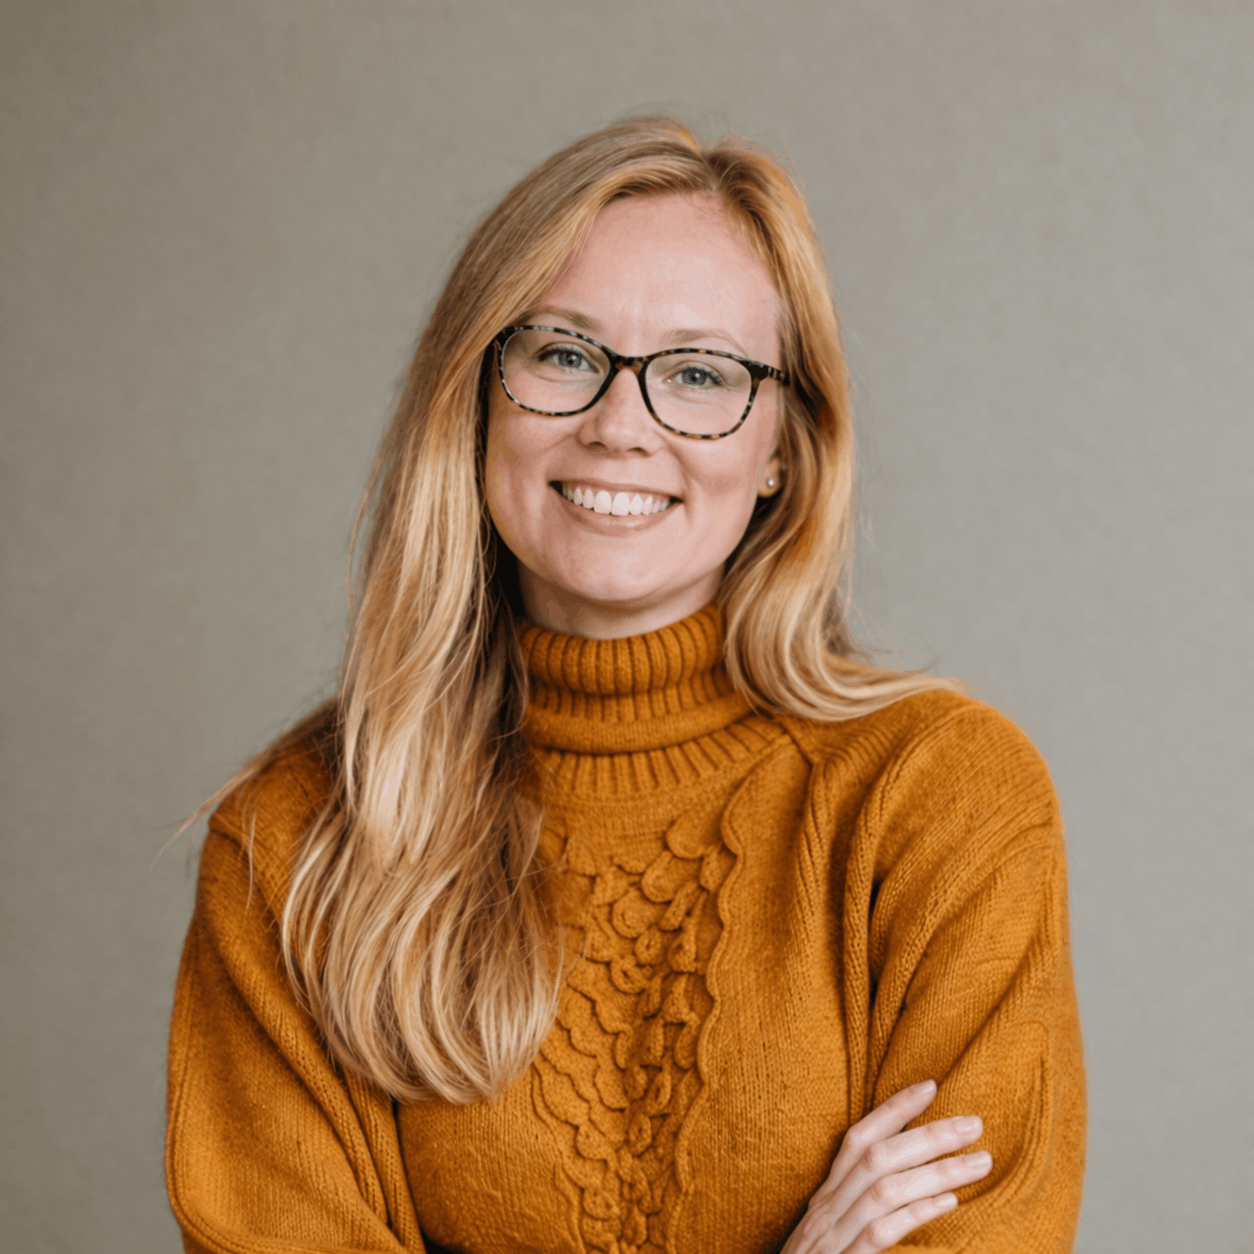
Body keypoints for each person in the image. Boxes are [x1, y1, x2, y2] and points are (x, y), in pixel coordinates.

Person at [165, 117, 1085, 1254]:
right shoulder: (294, 842)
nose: (619, 426)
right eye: (561, 353)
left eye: (699, 374)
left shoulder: (940, 798)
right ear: (476, 394)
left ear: (783, 449)